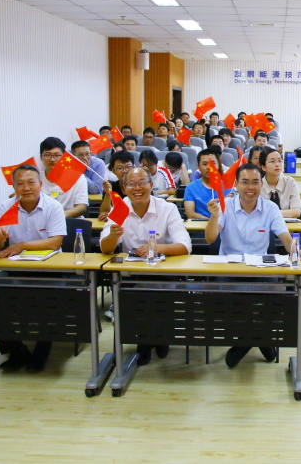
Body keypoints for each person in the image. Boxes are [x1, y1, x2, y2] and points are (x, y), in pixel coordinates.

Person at [204, 163, 301, 367]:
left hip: (261, 268)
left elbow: (286, 238)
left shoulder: (270, 208)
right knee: (226, 301)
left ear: (261, 185)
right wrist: (214, 215)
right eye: (245, 182)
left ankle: (244, 342)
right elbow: (210, 238)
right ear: (236, 185)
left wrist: (296, 251)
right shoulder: (225, 206)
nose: (250, 187)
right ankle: (261, 338)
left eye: (255, 182)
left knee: (278, 297)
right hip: (229, 270)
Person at [100, 167, 191, 365]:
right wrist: (112, 236)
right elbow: (105, 249)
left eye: (142, 182)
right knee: (137, 294)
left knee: (157, 293)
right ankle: (150, 340)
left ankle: (154, 339)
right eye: (131, 184)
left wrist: (157, 248)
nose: (137, 188)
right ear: (124, 188)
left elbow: (185, 245)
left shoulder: (167, 208)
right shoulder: (119, 209)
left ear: (151, 185)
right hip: (132, 274)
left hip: (164, 272)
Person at [0, 164, 66, 372]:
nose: (26, 188)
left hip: (50, 268)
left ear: (40, 184)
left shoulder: (53, 206)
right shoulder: (6, 207)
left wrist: (21, 245)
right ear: (14, 187)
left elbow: (55, 242)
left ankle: (41, 351)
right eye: (20, 184)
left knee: (47, 302)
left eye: (31, 182)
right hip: (16, 267)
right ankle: (17, 351)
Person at [39, 137, 88, 218]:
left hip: (70, 221)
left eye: (57, 155)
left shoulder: (77, 177)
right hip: (42, 221)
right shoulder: (35, 179)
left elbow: (81, 207)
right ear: (41, 157)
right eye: (47, 155)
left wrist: (58, 216)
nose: (52, 159)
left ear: (64, 157)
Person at [183, 149, 231, 219]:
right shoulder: (191, 187)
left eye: (213, 163)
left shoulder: (229, 186)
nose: (209, 167)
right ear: (198, 167)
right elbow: (190, 214)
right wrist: (212, 222)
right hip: (201, 224)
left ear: (218, 165)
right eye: (205, 164)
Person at [260, 149, 301, 218]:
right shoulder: (258, 185)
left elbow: (297, 212)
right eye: (272, 161)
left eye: (280, 161)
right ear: (263, 167)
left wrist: (270, 213)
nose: (277, 164)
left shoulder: (290, 182)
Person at [98, 150, 134, 221]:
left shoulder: (140, 187)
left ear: (133, 168)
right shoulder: (111, 186)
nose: (124, 171)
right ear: (113, 171)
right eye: (120, 168)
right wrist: (108, 194)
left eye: (127, 167)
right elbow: (104, 212)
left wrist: (113, 215)